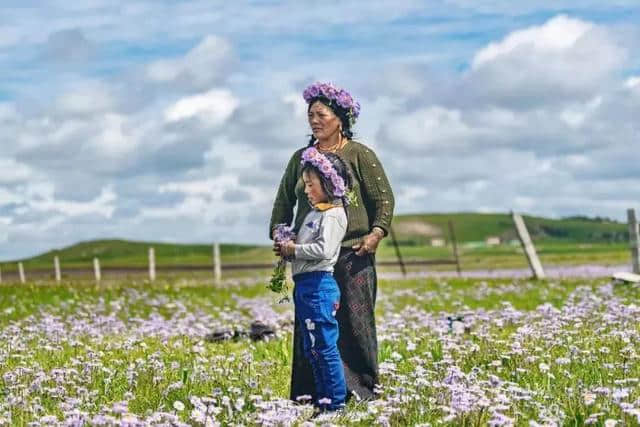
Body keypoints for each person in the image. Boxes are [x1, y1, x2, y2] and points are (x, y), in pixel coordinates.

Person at [270, 82, 395, 403]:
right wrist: (280, 234)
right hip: (310, 258)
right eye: (310, 115)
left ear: (340, 118)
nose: (314, 120)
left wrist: (376, 234)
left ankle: (363, 393)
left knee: (355, 324)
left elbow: (383, 200)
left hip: (353, 253)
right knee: (313, 325)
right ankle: (312, 395)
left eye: (321, 115)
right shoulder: (300, 158)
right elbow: (284, 201)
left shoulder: (360, 155)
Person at [277, 148, 351, 411]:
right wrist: (289, 245)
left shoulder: (333, 215)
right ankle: (323, 400)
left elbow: (324, 250)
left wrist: (293, 250)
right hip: (306, 285)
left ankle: (335, 405)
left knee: (324, 346)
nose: (307, 190)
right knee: (313, 348)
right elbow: (309, 245)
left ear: (329, 183)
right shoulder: (315, 213)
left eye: (311, 185)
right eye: (305, 185)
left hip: (319, 286)